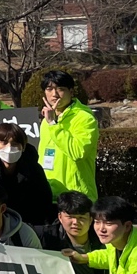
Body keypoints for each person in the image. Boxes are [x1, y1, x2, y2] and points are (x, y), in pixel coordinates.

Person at [0, 122, 55, 225]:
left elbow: (44, 201)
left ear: (23, 147)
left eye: (15, 144)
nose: (9, 148)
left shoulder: (34, 169)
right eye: (4, 143)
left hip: (26, 223)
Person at [38, 70, 99, 201]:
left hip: (76, 197)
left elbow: (77, 153)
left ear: (71, 92)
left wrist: (53, 124)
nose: (54, 94)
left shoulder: (84, 118)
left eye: (60, 89)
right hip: (50, 193)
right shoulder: (46, 120)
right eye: (49, 89)